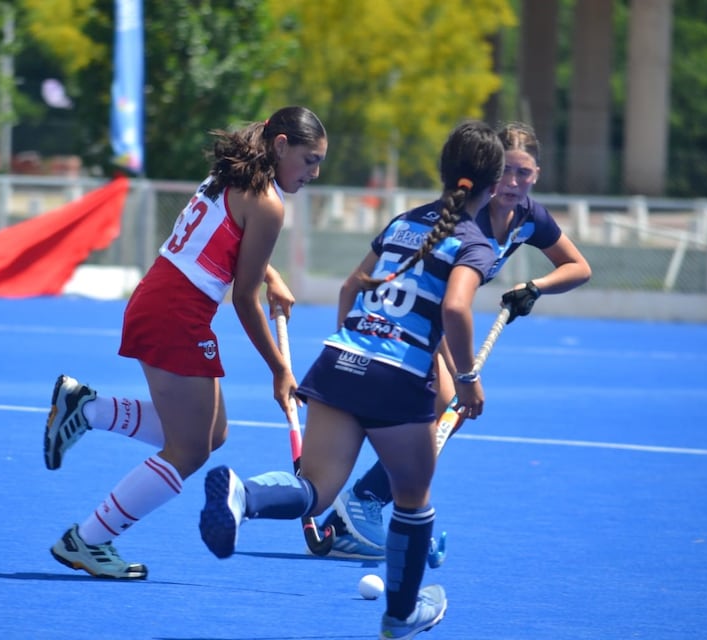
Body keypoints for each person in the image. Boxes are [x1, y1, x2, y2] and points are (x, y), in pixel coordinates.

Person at [197, 120, 505, 639]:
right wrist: (468, 377)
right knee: (412, 494)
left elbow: (351, 287)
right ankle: (401, 614)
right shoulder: (475, 243)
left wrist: (354, 349)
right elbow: (455, 308)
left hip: (341, 357)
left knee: (315, 490)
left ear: (443, 171)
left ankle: (242, 496)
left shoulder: (404, 223)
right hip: (398, 375)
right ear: (492, 187)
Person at [42, 106, 328, 579]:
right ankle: (89, 539)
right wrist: (280, 369)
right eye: (310, 160)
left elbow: (228, 241)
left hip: (158, 297)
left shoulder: (231, 173)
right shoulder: (269, 203)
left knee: (212, 433)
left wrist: (270, 276)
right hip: (177, 314)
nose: (314, 173)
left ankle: (88, 410)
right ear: (281, 146)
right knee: (191, 450)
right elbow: (243, 299)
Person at [320, 121, 593, 560]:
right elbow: (445, 305)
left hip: (437, 322)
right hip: (413, 325)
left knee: (449, 413)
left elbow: (578, 267)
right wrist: (461, 371)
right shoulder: (470, 218)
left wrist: (535, 287)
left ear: (536, 175)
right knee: (446, 406)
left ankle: (374, 507)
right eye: (506, 171)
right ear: (492, 172)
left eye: (524, 173)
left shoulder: (529, 217)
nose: (513, 182)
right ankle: (368, 503)